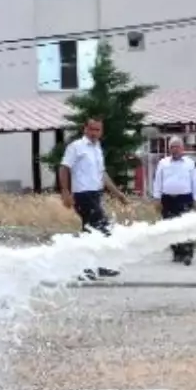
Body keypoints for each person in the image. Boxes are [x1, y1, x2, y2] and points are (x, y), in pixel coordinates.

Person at [59, 117, 130, 281]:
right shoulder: (76, 147)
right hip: (82, 195)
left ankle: (93, 267)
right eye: (91, 129)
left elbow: (102, 175)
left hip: (96, 194)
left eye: (97, 130)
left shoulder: (97, 148)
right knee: (102, 228)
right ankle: (88, 268)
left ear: (101, 131)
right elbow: (64, 168)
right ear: (85, 129)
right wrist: (65, 191)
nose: (94, 133)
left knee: (91, 231)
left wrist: (118, 194)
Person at [152, 136, 196, 265]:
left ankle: (187, 253)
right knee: (170, 227)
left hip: (185, 198)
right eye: (172, 147)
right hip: (167, 199)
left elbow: (195, 182)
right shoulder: (163, 163)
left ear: (182, 148)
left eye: (177, 147)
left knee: (186, 226)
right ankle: (177, 253)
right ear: (169, 149)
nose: (175, 149)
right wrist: (156, 198)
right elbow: (157, 181)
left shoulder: (189, 163)